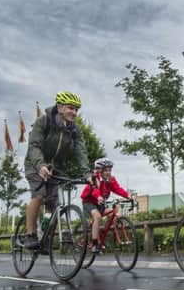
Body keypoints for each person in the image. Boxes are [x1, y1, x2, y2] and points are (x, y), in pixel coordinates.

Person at [23, 91, 93, 249]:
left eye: (76, 109)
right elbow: (34, 146)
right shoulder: (43, 121)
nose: (74, 112)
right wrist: (40, 165)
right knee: (39, 195)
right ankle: (30, 234)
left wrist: (87, 174)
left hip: (56, 169)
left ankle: (45, 238)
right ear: (60, 107)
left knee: (53, 205)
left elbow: (80, 151)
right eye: (71, 108)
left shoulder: (74, 130)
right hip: (35, 164)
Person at [80, 158, 132, 253]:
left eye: (109, 170)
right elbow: (94, 188)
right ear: (100, 171)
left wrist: (128, 196)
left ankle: (101, 234)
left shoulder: (111, 180)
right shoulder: (95, 178)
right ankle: (95, 244)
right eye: (106, 170)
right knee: (97, 216)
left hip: (100, 204)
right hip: (89, 202)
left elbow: (118, 189)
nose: (108, 173)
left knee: (114, 215)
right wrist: (98, 196)